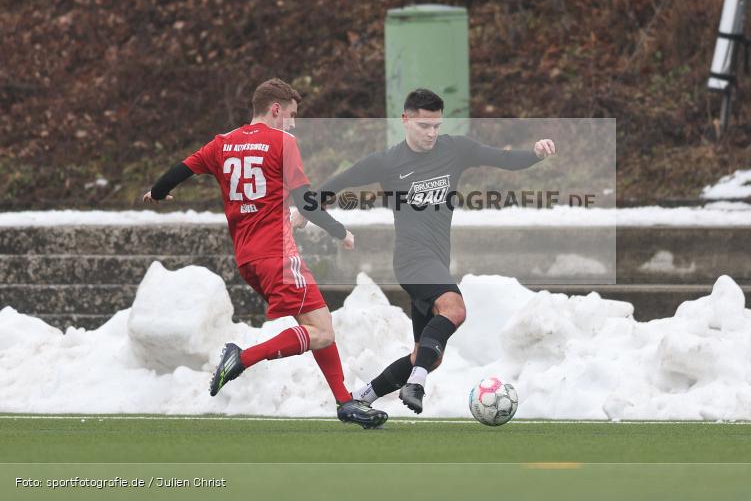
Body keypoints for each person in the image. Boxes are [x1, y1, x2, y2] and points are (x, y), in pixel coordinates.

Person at [142, 78, 388, 429]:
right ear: (276, 110)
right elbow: (306, 202)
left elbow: (178, 172)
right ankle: (242, 358)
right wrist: (339, 231)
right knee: (322, 331)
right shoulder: (282, 143)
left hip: (248, 260)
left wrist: (157, 191)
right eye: (290, 115)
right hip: (278, 256)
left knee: (317, 325)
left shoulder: (221, 144)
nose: (292, 123)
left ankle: (345, 402)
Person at [316, 88, 556, 414]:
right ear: (405, 120)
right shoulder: (388, 162)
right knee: (455, 309)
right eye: (423, 126)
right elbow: (340, 181)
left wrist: (536, 154)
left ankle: (361, 397)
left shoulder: (455, 150)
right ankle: (417, 383)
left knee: (428, 355)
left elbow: (502, 159)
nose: (431, 133)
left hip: (437, 260)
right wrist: (306, 208)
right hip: (411, 259)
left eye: (436, 126)